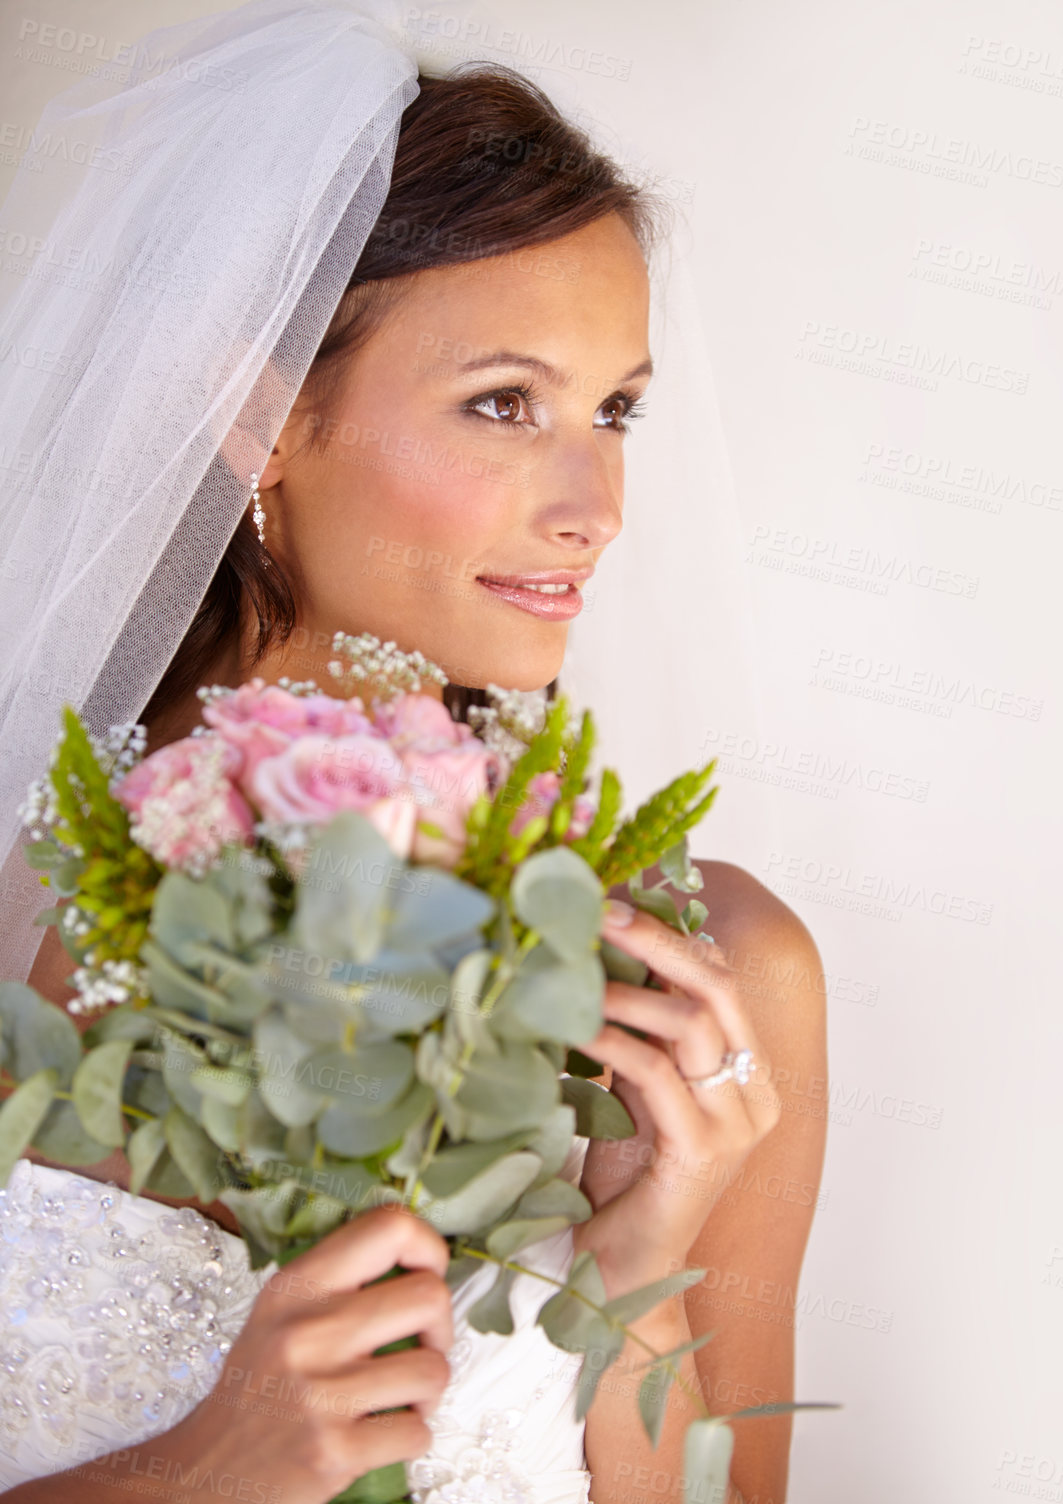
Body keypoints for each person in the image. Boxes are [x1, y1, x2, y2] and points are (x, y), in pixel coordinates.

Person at [0, 4, 829, 1502]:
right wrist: (200, 1475)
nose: (597, 505)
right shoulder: (19, 899)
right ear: (260, 413)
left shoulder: (709, 985)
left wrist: (631, 1284)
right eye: (505, 404)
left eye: (617, 412)